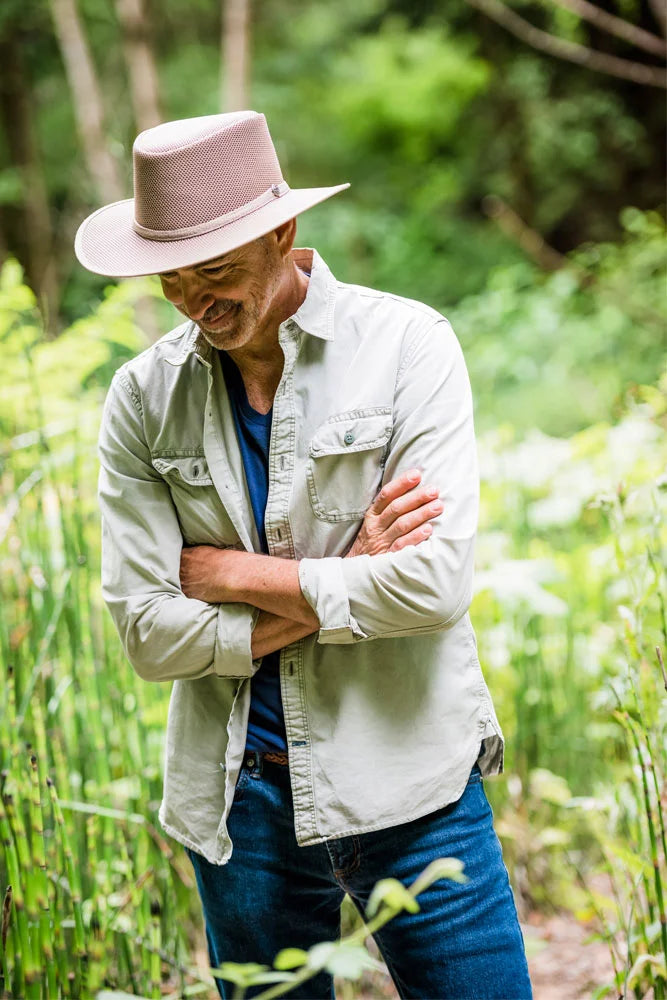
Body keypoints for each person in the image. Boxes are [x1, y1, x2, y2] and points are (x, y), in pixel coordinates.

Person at [75, 111, 532, 999]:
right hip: (237, 804)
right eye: (169, 274)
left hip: (417, 786)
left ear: (283, 230)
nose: (190, 297)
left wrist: (229, 575)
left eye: (213, 268)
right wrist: (351, 571)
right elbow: (145, 634)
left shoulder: (408, 346)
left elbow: (433, 586)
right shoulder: (139, 398)